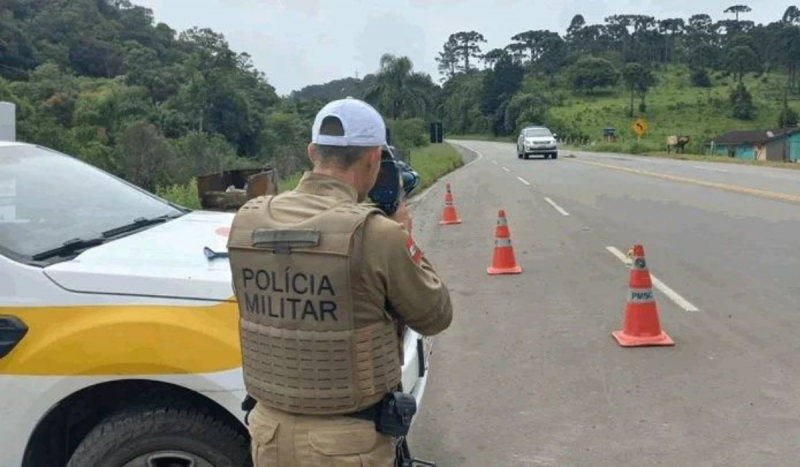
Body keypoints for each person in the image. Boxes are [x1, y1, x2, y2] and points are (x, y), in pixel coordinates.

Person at [227, 97, 453, 466]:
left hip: (268, 433)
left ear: (312, 151)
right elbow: (435, 315)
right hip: (348, 445)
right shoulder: (378, 234)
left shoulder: (248, 221)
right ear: (374, 159)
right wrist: (404, 235)